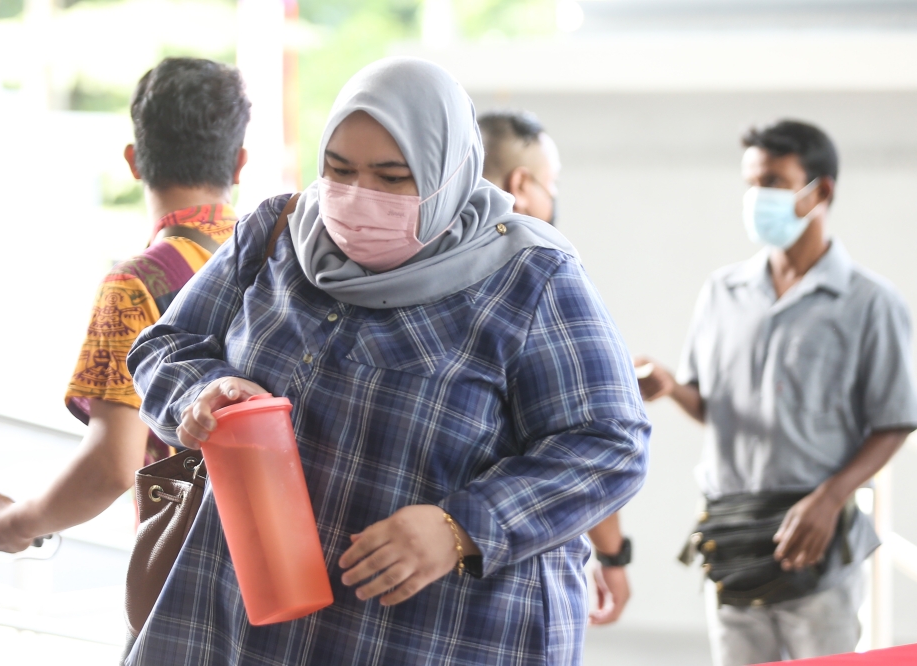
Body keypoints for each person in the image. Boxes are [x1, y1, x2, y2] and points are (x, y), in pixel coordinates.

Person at [125, 57, 650, 665]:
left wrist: (463, 527)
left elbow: (612, 444)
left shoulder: (532, 277)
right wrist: (201, 392)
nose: (357, 197)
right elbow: (164, 346)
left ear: (446, 173)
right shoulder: (279, 232)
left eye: (391, 177)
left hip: (433, 639)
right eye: (339, 170)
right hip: (240, 628)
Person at [636, 119, 917, 665]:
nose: (756, 198)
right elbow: (717, 408)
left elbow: (896, 419)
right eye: (750, 183)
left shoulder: (869, 304)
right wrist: (672, 387)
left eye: (772, 182)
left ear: (822, 191)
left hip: (813, 541)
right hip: (733, 538)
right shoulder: (723, 292)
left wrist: (831, 498)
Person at [0, 58, 249, 552]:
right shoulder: (275, 258)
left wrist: (16, 522)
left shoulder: (137, 283)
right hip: (278, 561)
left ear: (133, 160)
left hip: (186, 573)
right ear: (240, 162)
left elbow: (113, 467)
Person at [479, 109, 634, 626]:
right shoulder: (543, 279)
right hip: (511, 596)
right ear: (520, 184)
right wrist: (612, 556)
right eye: (554, 184)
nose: (555, 199)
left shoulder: (407, 266)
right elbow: (587, 441)